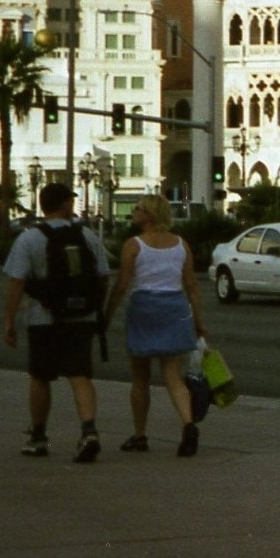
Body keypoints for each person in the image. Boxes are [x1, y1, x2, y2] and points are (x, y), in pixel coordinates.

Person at [2, 182, 112, 462]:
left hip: (43, 318)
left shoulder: (29, 239)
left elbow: (17, 281)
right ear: (63, 204)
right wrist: (95, 307)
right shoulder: (86, 235)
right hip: (81, 317)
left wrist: (9, 321)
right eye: (70, 200)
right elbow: (103, 276)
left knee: (40, 376)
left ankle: (38, 436)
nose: (72, 205)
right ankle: (89, 431)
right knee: (79, 374)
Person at [104, 194, 207, 457]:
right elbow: (192, 285)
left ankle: (139, 435)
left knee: (140, 377)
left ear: (149, 215)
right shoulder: (181, 245)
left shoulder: (134, 245)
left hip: (144, 309)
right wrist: (198, 320)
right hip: (174, 306)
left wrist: (107, 314)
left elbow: (122, 285)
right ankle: (188, 424)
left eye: (138, 209)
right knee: (173, 375)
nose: (134, 213)